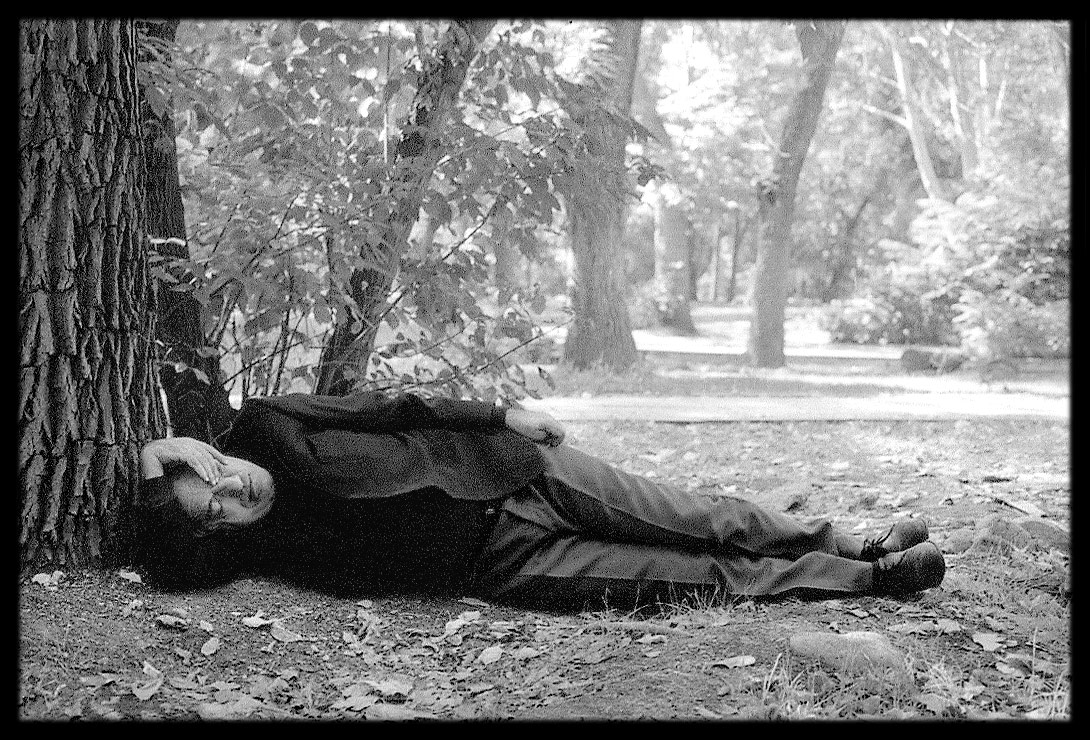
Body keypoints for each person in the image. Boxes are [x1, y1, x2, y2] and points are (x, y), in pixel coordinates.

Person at [136, 391, 945, 611]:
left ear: (212, 448)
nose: (232, 491)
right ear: (221, 535)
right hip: (511, 560)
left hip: (515, 471)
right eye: (216, 510)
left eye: (212, 473)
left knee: (694, 515)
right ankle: (876, 581)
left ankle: (847, 537)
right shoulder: (266, 548)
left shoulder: (270, 424)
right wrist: (149, 467)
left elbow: (398, 407)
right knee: (688, 576)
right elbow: (174, 568)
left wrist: (500, 415)